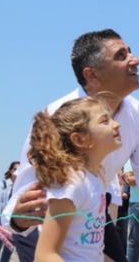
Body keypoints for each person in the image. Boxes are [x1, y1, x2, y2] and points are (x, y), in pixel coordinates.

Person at [3, 29, 139, 262]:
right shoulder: (54, 119)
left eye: (130, 52)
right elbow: (22, 198)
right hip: (43, 225)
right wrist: (18, 219)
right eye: (121, 55)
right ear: (92, 75)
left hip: (93, 219)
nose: (136, 60)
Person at [27, 97, 121, 261]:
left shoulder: (94, 179)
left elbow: (90, 250)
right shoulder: (72, 182)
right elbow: (44, 254)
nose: (116, 124)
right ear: (79, 139)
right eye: (104, 121)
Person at [0, 162, 19, 262]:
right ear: (10, 171)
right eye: (15, 169)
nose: (17, 171)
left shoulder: (20, 187)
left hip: (11, 224)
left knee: (8, 250)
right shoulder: (4, 184)